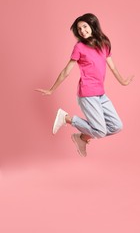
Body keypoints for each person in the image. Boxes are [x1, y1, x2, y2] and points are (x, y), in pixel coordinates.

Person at [36, 13, 134, 157]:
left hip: (101, 94)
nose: (82, 31)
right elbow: (66, 72)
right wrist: (51, 90)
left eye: (84, 27)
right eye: (79, 29)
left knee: (117, 126)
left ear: (92, 26)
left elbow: (112, 67)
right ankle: (67, 118)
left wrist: (123, 81)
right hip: (87, 94)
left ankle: (81, 137)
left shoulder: (104, 43)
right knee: (100, 131)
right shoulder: (79, 47)